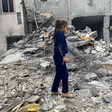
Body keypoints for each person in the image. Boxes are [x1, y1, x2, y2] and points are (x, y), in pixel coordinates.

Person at [51, 19, 74, 98]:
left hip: (57, 56)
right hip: (59, 57)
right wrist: (64, 57)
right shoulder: (60, 34)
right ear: (63, 27)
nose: (66, 28)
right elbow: (60, 46)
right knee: (65, 74)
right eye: (66, 27)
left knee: (58, 74)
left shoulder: (58, 33)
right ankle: (65, 92)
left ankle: (54, 90)